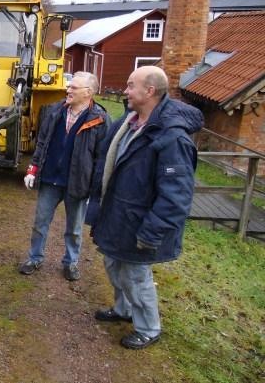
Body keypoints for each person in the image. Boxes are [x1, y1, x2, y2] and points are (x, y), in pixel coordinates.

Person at [86, 66, 203, 350]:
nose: (124, 91)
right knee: (113, 265)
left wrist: (152, 232)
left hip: (141, 223)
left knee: (136, 277)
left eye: (130, 85)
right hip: (119, 217)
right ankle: (123, 309)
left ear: (149, 91)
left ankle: (148, 328)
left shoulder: (172, 138)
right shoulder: (130, 123)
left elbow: (176, 196)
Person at [20, 71, 109, 280]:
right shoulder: (54, 111)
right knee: (40, 223)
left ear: (88, 93)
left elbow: (101, 158)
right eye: (69, 86)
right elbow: (42, 143)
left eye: (73, 88)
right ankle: (35, 258)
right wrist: (33, 168)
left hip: (77, 183)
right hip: (50, 178)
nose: (67, 90)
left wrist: (95, 188)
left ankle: (71, 263)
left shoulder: (100, 120)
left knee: (74, 229)